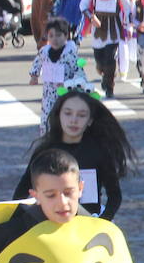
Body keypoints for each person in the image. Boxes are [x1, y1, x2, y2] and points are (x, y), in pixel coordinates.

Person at [13, 89, 134, 221]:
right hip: (49, 225)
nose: (74, 120)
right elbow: (21, 193)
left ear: (90, 120)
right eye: (68, 113)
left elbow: (115, 196)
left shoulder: (99, 151)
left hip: (87, 223)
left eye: (81, 115)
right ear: (59, 115)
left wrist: (102, 222)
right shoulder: (44, 151)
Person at [81, 0, 133, 99]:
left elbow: (128, 8)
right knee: (99, 58)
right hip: (98, 26)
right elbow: (83, 5)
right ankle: (104, 74)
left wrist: (129, 25)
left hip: (114, 26)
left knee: (110, 58)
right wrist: (92, 17)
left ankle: (109, 86)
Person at [28, 19, 84, 124]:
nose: (55, 39)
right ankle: (47, 137)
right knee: (46, 119)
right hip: (48, 94)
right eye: (51, 36)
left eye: (58, 35)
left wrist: (70, 84)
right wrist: (34, 75)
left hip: (66, 95)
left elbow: (80, 73)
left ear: (66, 36)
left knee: (63, 120)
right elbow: (37, 62)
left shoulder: (70, 54)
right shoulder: (44, 52)